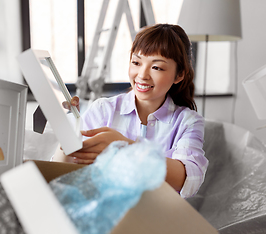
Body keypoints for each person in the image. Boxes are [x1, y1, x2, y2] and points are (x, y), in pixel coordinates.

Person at [54, 23, 208, 199]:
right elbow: (62, 175)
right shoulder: (104, 110)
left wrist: (125, 148)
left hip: (156, 221)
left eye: (156, 67)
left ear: (179, 75)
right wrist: (69, 130)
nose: (142, 75)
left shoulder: (188, 122)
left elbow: (188, 179)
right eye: (136, 62)